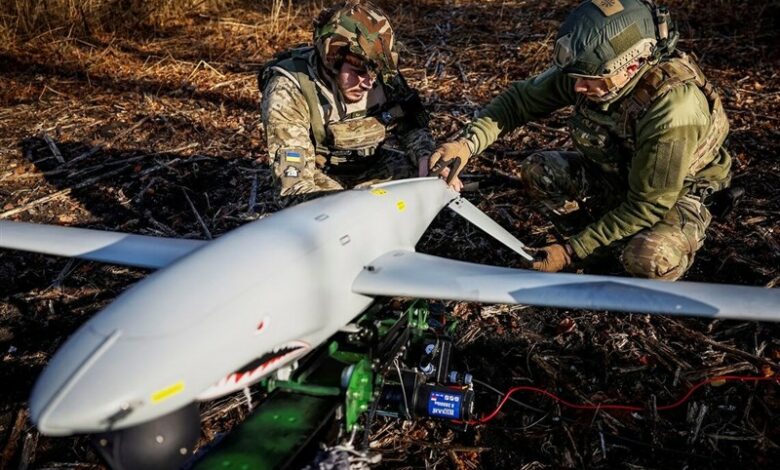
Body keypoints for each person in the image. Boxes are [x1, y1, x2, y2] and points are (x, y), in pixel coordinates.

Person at [429, 0, 731, 281]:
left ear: (629, 67)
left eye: (588, 81)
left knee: (649, 259)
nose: (577, 87)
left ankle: (600, 250)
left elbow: (647, 205)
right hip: (621, 175)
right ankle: (598, 253)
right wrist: (466, 144)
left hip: (675, 196)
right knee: (540, 170)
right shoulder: (592, 70)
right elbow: (519, 101)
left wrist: (570, 251)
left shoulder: (673, 108)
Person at [260, 0, 434, 196]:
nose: (369, 83)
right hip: (317, 174)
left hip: (372, 165)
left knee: (432, 184)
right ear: (332, 60)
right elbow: (294, 184)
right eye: (358, 72)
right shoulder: (289, 89)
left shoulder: (384, 76)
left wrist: (425, 158)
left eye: (374, 73)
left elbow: (411, 126)